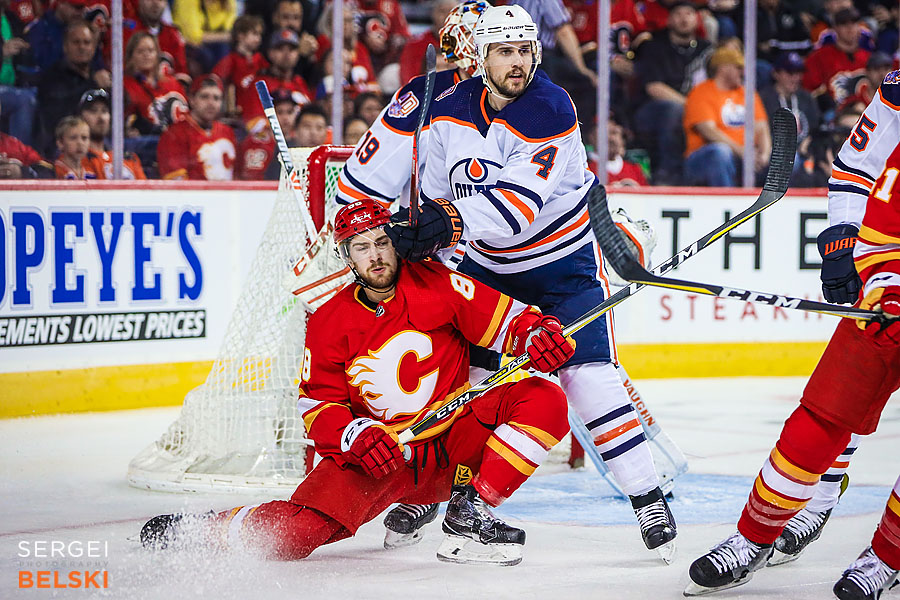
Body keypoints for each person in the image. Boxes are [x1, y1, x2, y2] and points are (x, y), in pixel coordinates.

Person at [385, 5, 678, 561]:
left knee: (588, 377)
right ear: (481, 59)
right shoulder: (446, 110)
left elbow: (514, 213)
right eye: (505, 52)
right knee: (468, 386)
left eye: (525, 50)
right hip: (488, 271)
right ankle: (441, 492)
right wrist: (419, 231)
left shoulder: (549, 107)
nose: (517, 62)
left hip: (562, 269)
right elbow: (434, 190)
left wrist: (445, 222)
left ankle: (647, 496)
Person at [140, 198, 574, 566]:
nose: (376, 255)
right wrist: (355, 434)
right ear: (347, 257)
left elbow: (511, 321)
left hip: (452, 442)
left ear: (396, 243)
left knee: (545, 399)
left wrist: (538, 335)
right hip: (383, 457)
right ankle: (204, 528)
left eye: (382, 242)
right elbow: (316, 407)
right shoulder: (328, 321)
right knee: (294, 536)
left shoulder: (439, 284)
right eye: (362, 247)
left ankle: (471, 510)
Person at [684, 70, 900, 597]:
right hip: (888, 279)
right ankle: (754, 536)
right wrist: (844, 241)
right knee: (823, 415)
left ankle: (887, 556)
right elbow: (856, 164)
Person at [632, 1, 712, 184]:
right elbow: (654, 87)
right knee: (673, 110)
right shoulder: (654, 47)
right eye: (678, 14)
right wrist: (691, 106)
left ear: (697, 19)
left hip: (696, 108)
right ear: (668, 20)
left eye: (688, 14)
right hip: (651, 110)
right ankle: (668, 174)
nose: (684, 19)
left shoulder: (706, 50)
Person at [682, 46, 771, 187]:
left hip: (745, 156)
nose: (743, 72)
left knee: (786, 160)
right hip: (705, 158)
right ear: (723, 68)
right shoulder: (701, 91)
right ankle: (728, 198)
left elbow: (761, 128)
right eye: (738, 68)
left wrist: (764, 155)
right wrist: (742, 151)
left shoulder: (748, 93)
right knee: (720, 152)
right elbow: (708, 130)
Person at [36, 20, 108, 156]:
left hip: (102, 141)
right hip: (66, 145)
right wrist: (92, 83)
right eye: (76, 42)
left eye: (87, 42)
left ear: (94, 48)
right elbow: (60, 110)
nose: (82, 47)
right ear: (65, 46)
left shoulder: (98, 75)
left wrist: (112, 86)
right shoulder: (52, 76)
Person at [156, 74, 235, 180]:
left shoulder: (227, 132)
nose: (211, 103)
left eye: (216, 98)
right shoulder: (174, 134)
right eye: (204, 97)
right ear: (192, 99)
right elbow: (176, 182)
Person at [235, 27, 311, 131]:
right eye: (280, 49)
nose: (286, 54)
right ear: (270, 53)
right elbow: (253, 124)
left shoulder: (300, 82)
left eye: (291, 49)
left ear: (298, 54)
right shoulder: (259, 85)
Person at [803, 7, 870, 114]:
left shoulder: (869, 57)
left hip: (867, 117)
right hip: (834, 117)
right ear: (835, 28)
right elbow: (809, 91)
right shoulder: (819, 57)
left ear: (859, 27)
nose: (849, 28)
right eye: (843, 24)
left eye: (854, 23)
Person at [122, 31, 188, 136]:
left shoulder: (173, 83)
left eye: (150, 50)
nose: (146, 55)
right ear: (131, 57)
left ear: (157, 54)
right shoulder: (124, 85)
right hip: (145, 141)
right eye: (140, 51)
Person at [78, 88, 146, 179]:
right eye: (93, 111)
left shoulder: (128, 158)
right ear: (81, 117)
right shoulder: (77, 159)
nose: (101, 117)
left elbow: (144, 187)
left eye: (104, 111)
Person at [236, 87, 297, 181]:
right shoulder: (254, 143)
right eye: (279, 112)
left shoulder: (300, 143)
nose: (285, 117)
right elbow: (248, 179)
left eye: (289, 112)